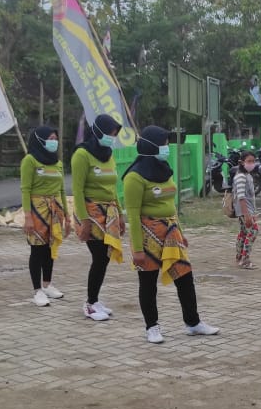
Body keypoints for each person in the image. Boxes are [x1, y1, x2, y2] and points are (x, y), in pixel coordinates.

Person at [123, 125, 220, 343]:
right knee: (147, 281)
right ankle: (152, 327)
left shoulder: (165, 170)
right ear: (151, 146)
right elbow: (133, 215)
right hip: (147, 233)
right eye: (163, 143)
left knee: (185, 277)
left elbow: (170, 205)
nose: (167, 147)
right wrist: (137, 249)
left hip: (171, 232)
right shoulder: (134, 178)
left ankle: (193, 323)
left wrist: (180, 232)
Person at [72, 114, 124, 322]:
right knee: (99, 256)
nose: (112, 138)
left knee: (104, 257)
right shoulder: (82, 155)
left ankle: (94, 299)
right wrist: (84, 220)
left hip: (108, 213)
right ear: (99, 132)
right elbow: (77, 190)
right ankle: (90, 304)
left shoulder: (109, 155)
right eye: (110, 134)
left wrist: (119, 215)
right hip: (90, 213)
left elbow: (113, 188)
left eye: (115, 134)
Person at [20, 126, 71, 307]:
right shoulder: (30, 160)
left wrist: (67, 214)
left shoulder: (57, 163)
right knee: (37, 249)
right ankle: (37, 290)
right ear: (40, 140)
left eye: (55, 138)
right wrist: (27, 216)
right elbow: (25, 189)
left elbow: (62, 189)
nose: (54, 141)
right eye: (50, 137)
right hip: (37, 210)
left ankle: (47, 284)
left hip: (55, 210)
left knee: (50, 248)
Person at [233, 151, 260, 269]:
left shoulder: (247, 175)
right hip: (244, 211)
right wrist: (247, 214)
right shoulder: (240, 177)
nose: (252, 164)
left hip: (247, 211)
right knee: (253, 231)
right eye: (249, 161)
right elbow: (241, 197)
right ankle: (245, 259)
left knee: (244, 232)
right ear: (241, 162)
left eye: (253, 161)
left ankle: (239, 256)